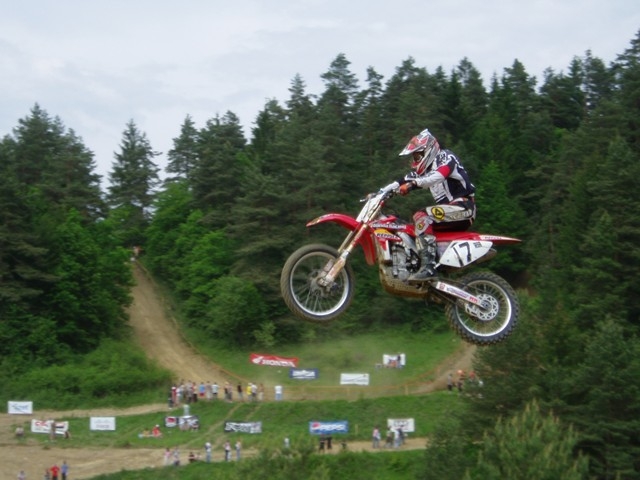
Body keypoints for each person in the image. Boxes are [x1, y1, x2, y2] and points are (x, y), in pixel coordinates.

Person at [397, 128, 476, 282]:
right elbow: (400, 181)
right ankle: (420, 264)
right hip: (450, 212)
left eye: (417, 155)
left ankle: (428, 268)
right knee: (410, 227)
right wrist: (379, 193)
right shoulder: (426, 171)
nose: (415, 159)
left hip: (463, 207)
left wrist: (413, 184)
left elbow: (439, 175)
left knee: (422, 216)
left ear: (428, 149)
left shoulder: (445, 157)